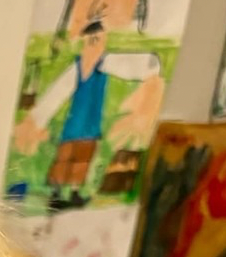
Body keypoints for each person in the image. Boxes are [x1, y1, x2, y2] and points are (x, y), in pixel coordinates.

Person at [13, 0, 162, 209]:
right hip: (74, 127)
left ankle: (74, 193)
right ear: (85, 42)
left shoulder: (105, 63)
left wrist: (152, 65)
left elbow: (135, 65)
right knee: (65, 158)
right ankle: (56, 192)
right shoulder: (76, 68)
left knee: (82, 161)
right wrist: (38, 119)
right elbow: (57, 92)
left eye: (98, 40)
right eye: (91, 40)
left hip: (91, 127)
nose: (94, 45)